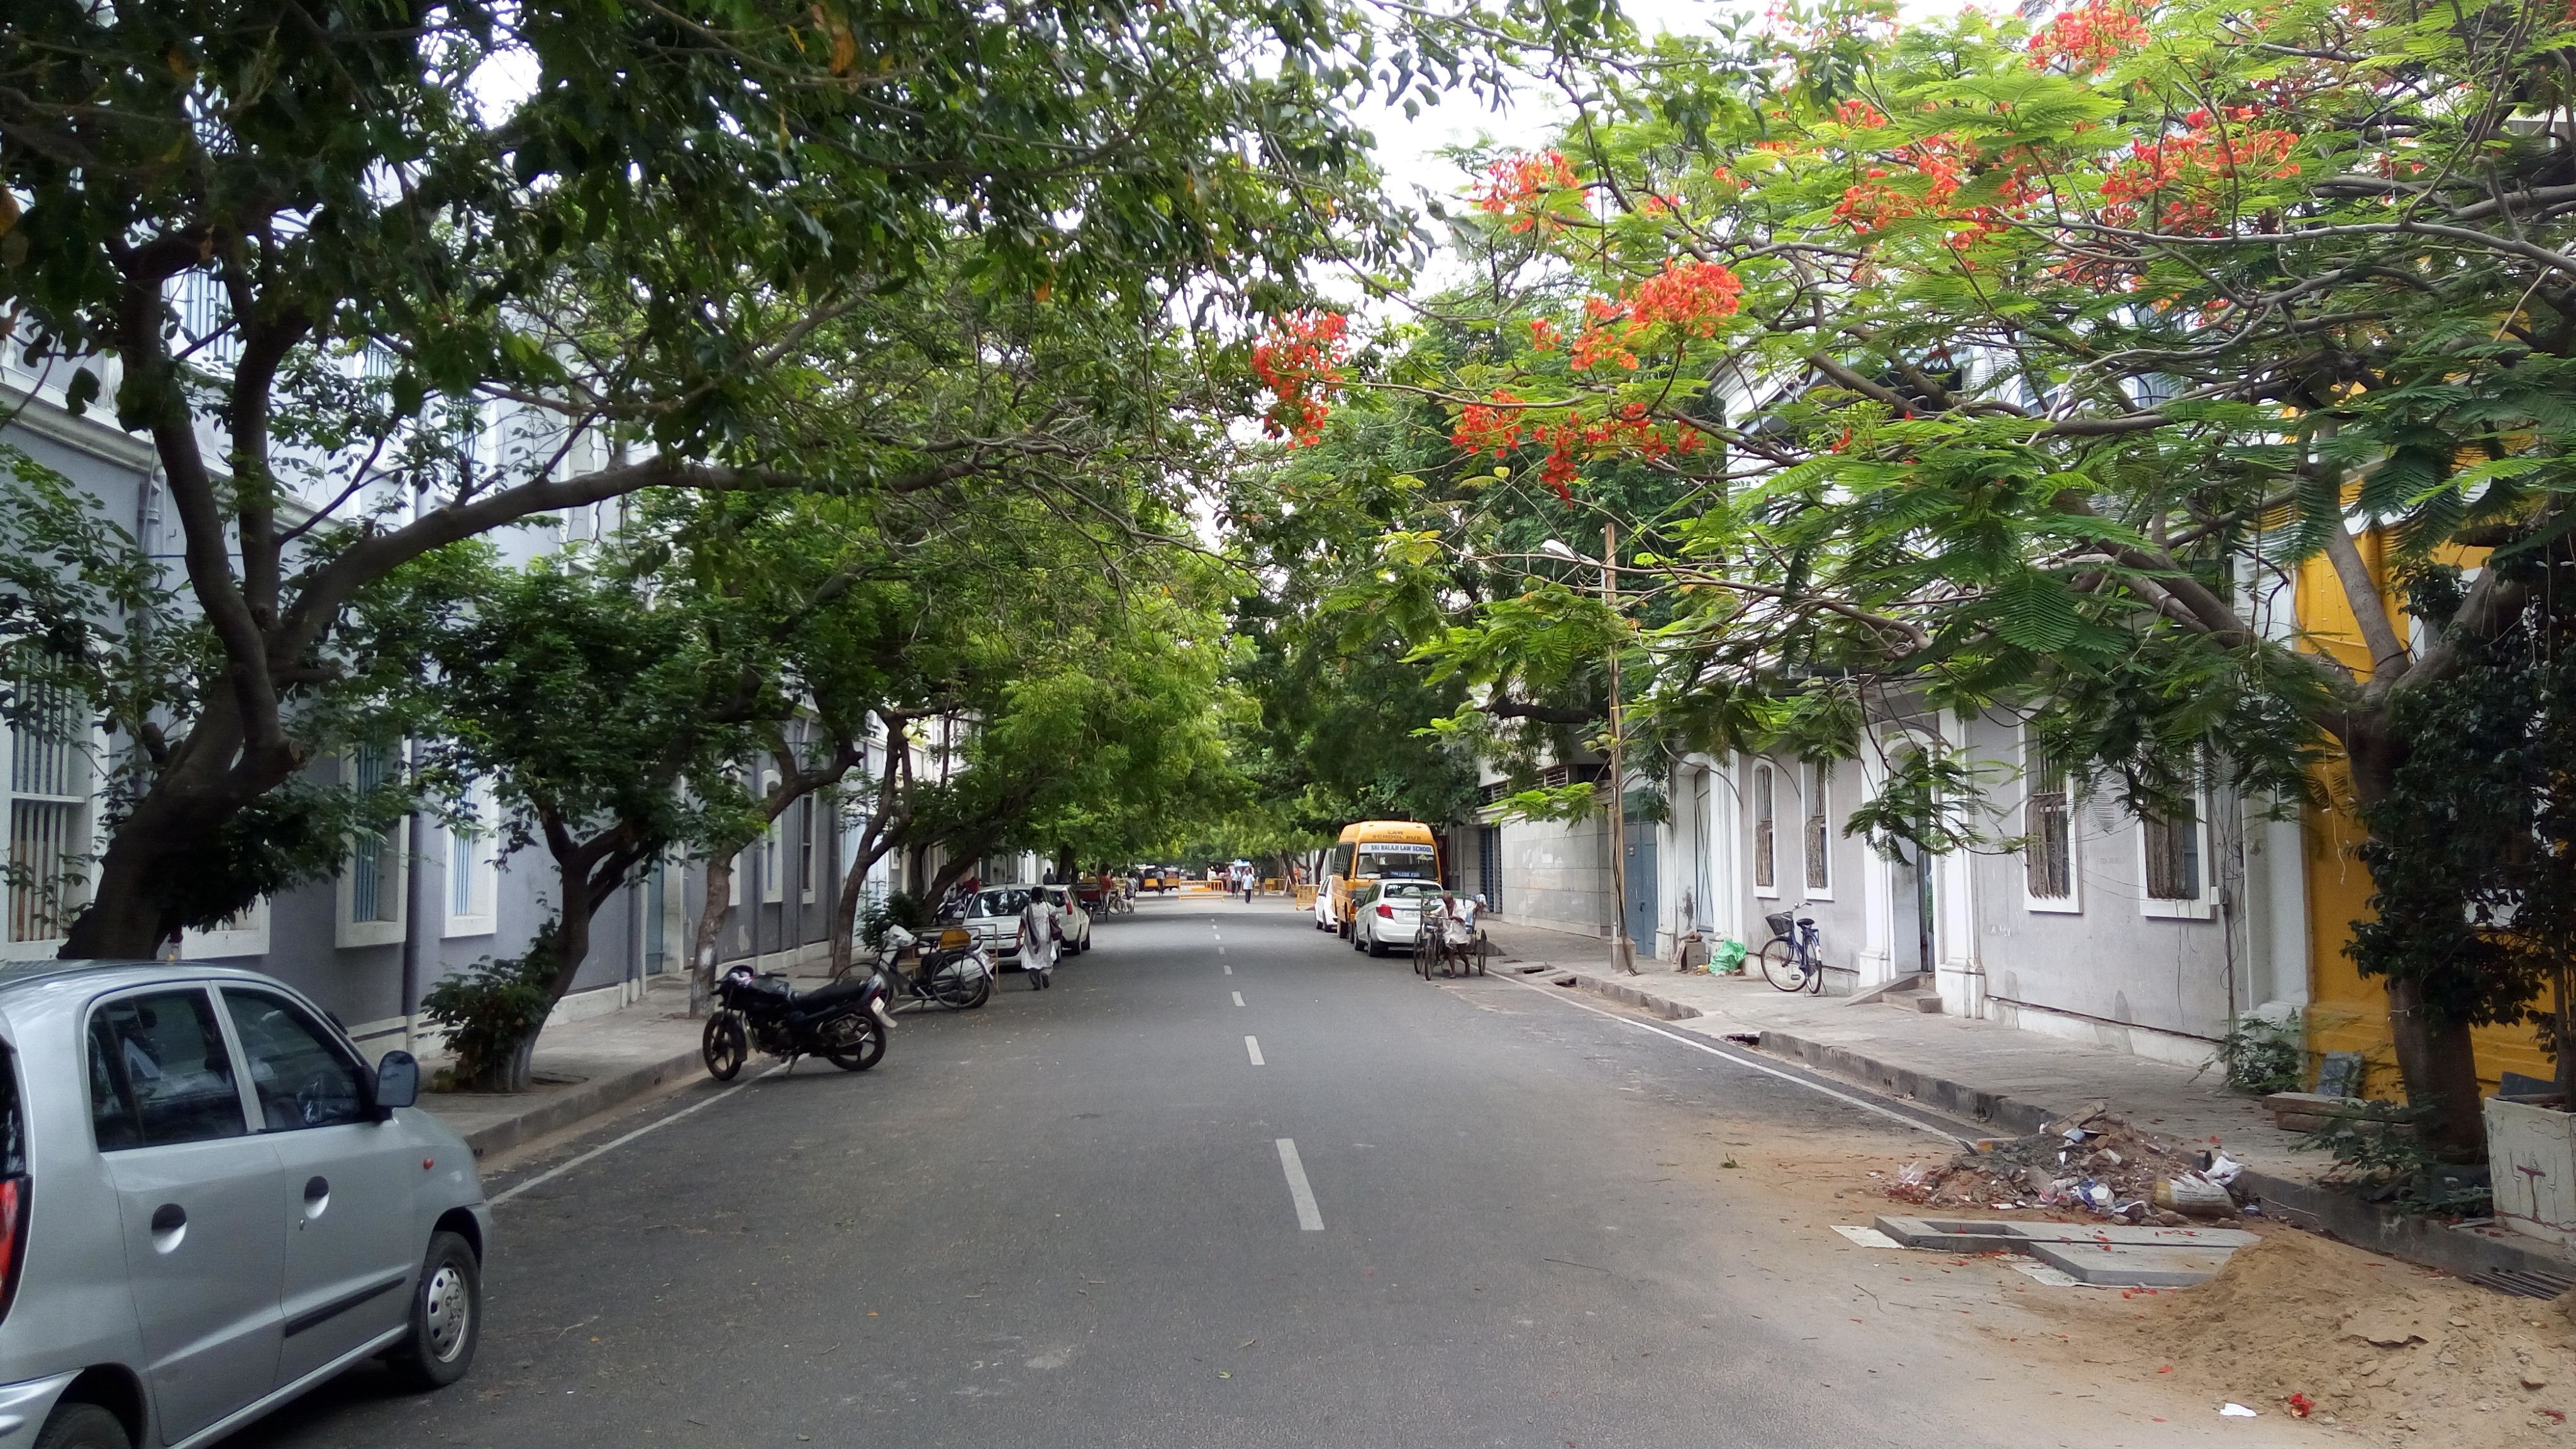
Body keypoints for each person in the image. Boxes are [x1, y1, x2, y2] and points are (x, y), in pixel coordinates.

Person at [1018, 887, 1060, 990]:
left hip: (1031, 941)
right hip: (1045, 938)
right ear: (1042, 896)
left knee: (1032, 961)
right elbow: (1056, 919)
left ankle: (1036, 983)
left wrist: (1018, 938)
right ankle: (1046, 973)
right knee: (1048, 959)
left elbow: (1022, 925)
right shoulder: (1047, 906)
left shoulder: (1027, 909)